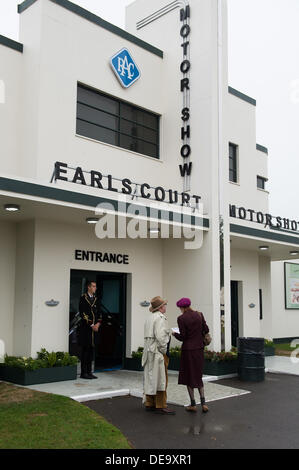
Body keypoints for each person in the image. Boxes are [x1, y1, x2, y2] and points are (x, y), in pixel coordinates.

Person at [172, 297, 209, 413]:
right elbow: (206, 329)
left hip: (188, 350)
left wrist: (174, 334)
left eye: (180, 308)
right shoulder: (199, 314)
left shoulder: (181, 318)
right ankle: (203, 403)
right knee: (198, 375)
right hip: (199, 349)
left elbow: (183, 336)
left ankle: (193, 404)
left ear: (182, 307)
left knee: (189, 376)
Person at [142, 296, 175, 415]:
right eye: (164, 305)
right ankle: (161, 405)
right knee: (162, 379)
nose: (166, 306)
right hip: (157, 352)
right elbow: (161, 337)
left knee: (150, 377)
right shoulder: (160, 318)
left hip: (148, 351)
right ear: (161, 307)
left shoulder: (149, 318)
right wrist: (164, 351)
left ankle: (149, 403)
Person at [77, 280, 102, 379]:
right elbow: (83, 313)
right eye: (93, 286)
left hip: (95, 329)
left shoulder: (96, 299)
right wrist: (92, 325)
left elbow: (100, 313)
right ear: (89, 287)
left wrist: (98, 324)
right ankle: (84, 373)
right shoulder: (83, 298)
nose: (95, 288)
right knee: (85, 351)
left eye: (95, 286)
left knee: (92, 351)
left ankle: (90, 372)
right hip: (86, 329)